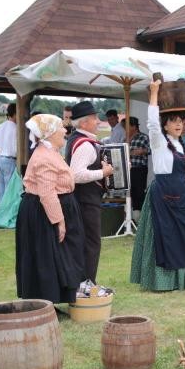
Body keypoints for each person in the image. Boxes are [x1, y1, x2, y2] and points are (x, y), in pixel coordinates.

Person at [129, 79, 185, 291]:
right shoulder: (158, 142)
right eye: (174, 121)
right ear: (165, 125)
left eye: (181, 121)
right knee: (167, 238)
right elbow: (151, 122)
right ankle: (165, 281)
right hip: (164, 195)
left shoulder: (182, 144)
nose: (179, 124)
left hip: (184, 194)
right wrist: (154, 92)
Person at [16, 114, 85, 304]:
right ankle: (44, 301)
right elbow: (47, 193)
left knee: (58, 254)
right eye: (61, 128)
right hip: (44, 211)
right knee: (45, 255)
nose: (65, 131)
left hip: (53, 206)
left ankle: (57, 297)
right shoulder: (43, 157)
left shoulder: (52, 152)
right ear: (50, 133)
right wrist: (59, 221)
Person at [65, 101, 114, 283]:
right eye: (94, 119)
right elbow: (76, 175)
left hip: (81, 199)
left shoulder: (76, 139)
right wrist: (104, 172)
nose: (98, 122)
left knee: (84, 243)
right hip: (86, 201)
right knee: (91, 244)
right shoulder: (85, 145)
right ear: (84, 123)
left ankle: (83, 283)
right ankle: (87, 284)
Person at [0, 103, 16, 203]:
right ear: (15, 114)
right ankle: (6, 214)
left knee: (1, 190)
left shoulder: (1, 126)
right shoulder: (16, 128)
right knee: (10, 191)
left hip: (0, 159)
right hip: (10, 160)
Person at [125, 116, 150, 212]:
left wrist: (142, 151)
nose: (126, 129)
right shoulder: (126, 138)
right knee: (131, 193)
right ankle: (133, 216)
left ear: (134, 127)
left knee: (139, 192)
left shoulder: (143, 137)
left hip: (140, 169)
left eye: (127, 126)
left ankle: (141, 216)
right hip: (129, 169)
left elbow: (150, 150)